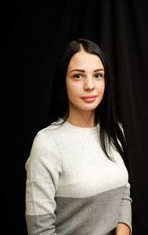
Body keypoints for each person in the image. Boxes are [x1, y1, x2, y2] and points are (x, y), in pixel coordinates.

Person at [25, 38, 132, 235]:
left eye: (98, 75)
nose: (90, 85)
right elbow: (40, 230)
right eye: (77, 76)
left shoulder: (114, 130)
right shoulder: (47, 143)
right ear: (62, 82)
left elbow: (123, 191)